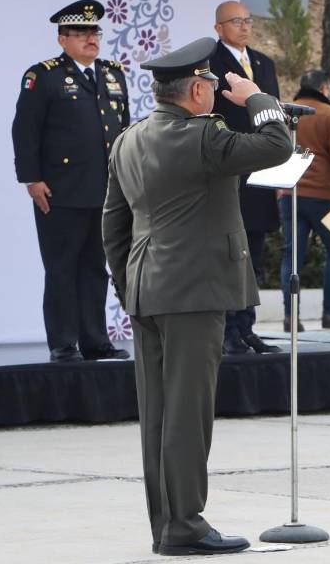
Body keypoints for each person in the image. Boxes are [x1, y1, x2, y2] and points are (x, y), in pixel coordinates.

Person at [102, 37, 292, 555]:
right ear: (196, 91)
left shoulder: (129, 139)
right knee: (188, 414)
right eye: (208, 82)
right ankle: (185, 526)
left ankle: (166, 525)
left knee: (158, 416)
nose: (212, 89)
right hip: (193, 292)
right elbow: (278, 145)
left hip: (147, 290)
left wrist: (128, 286)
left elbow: (113, 226)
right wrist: (257, 97)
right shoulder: (204, 136)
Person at [12, 0, 131, 363]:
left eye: (95, 32)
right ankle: (63, 343)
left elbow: (122, 129)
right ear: (63, 39)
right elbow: (25, 129)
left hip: (105, 189)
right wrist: (32, 178)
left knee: (95, 267)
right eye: (81, 33)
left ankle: (95, 341)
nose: (91, 39)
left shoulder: (112, 74)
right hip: (60, 190)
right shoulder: (44, 76)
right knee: (62, 268)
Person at [209, 0, 282, 351]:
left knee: (252, 254)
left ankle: (247, 327)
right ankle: (226, 330)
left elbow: (274, 114)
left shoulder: (263, 63)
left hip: (259, 173)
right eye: (236, 21)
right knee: (227, 254)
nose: (244, 26)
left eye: (248, 20)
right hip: (227, 169)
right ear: (218, 28)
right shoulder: (209, 63)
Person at [278, 70, 330, 332]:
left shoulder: (284, 113)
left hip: (289, 193)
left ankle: (291, 317)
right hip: (323, 195)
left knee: (292, 256)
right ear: (325, 88)